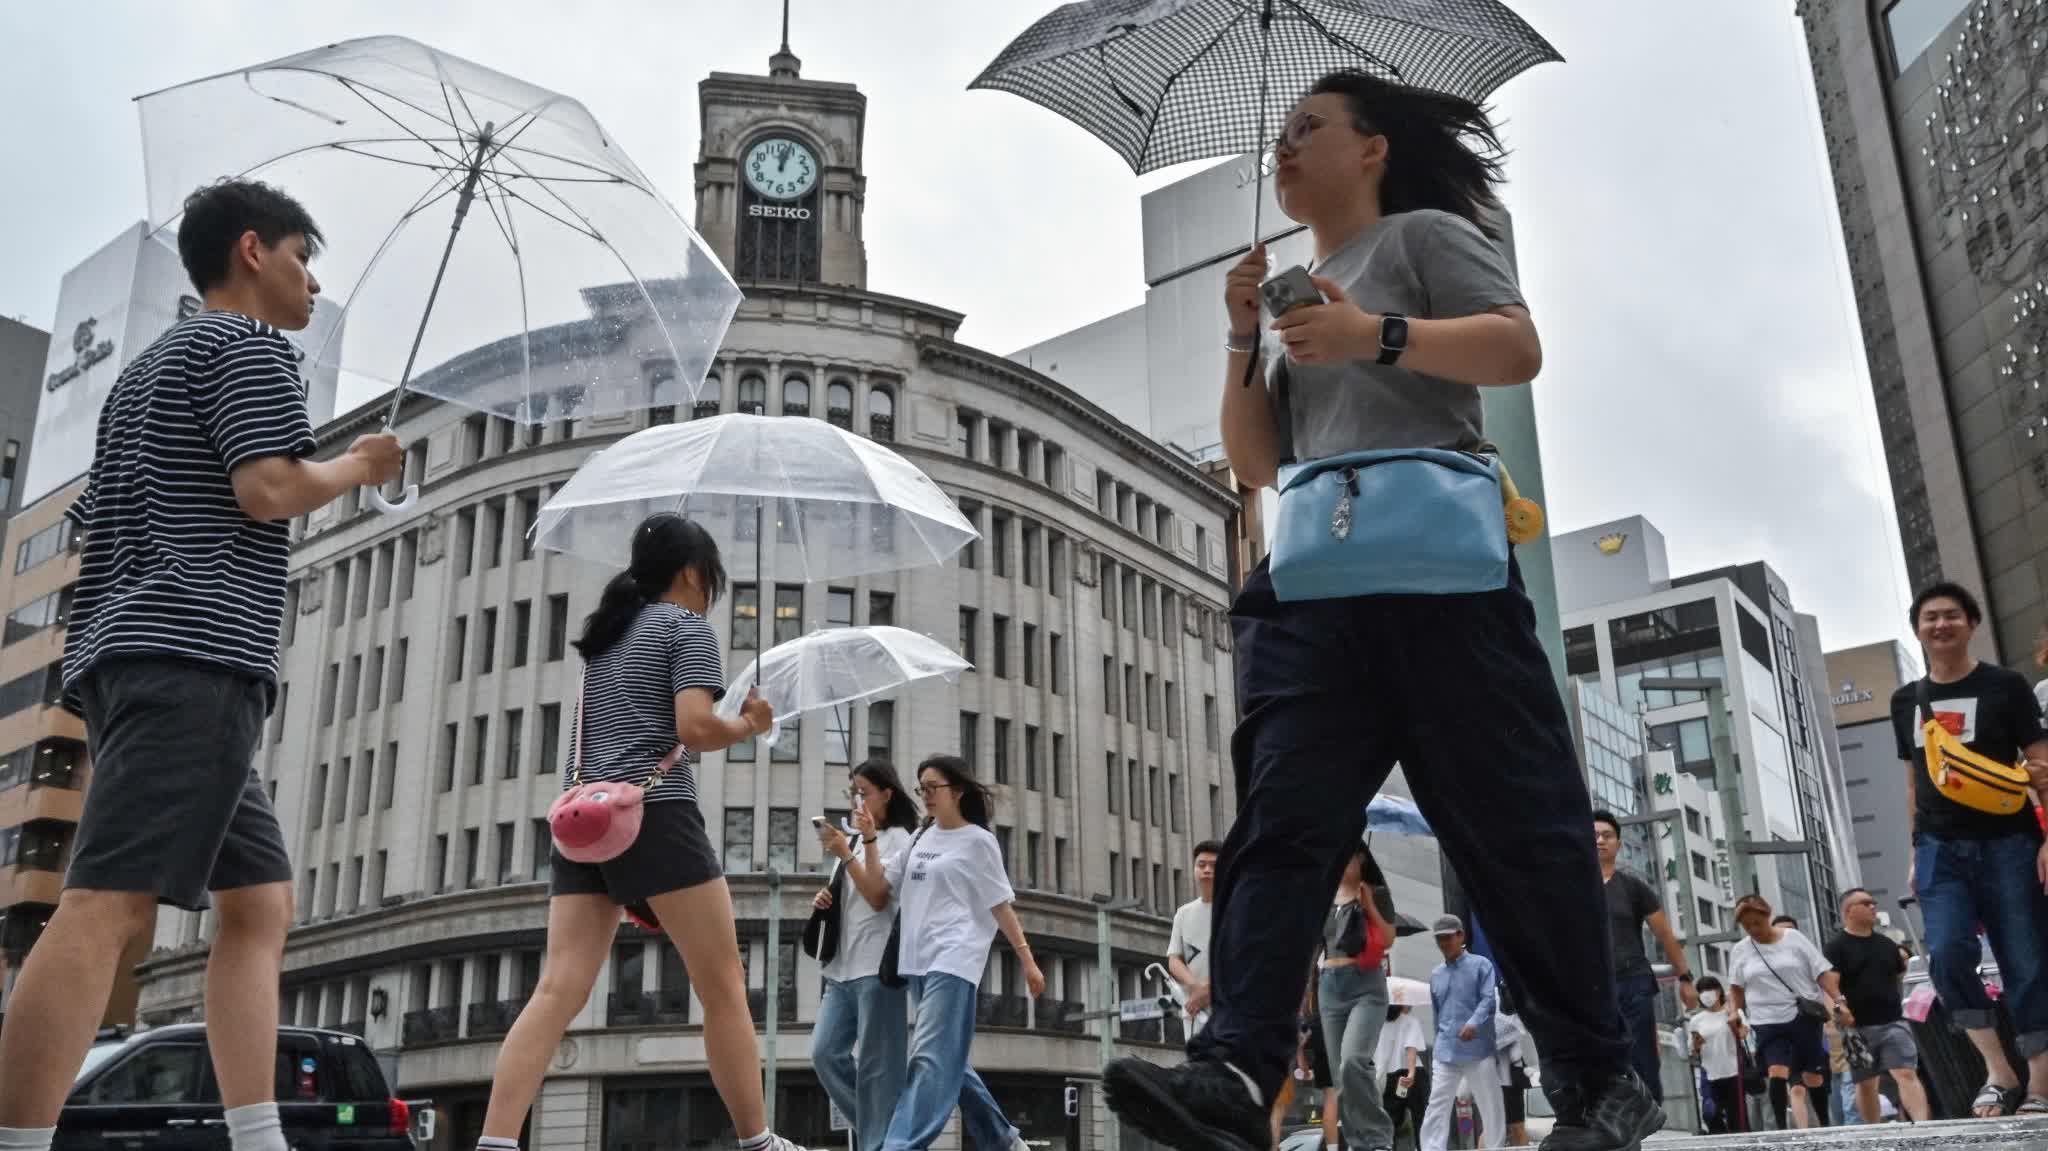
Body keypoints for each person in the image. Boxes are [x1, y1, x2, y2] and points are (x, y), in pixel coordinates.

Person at [1101, 69, 1656, 1151]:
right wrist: (1237, 337)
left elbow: (1513, 347)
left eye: (1309, 129)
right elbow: (1257, 461)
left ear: (1372, 149)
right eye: (1279, 135)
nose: (1284, 149)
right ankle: (1233, 1072)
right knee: (1277, 823)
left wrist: (1374, 337)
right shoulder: (1293, 290)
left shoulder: (1422, 237)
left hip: (1443, 579)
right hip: (1315, 588)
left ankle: (1597, 1081)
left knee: (1516, 830)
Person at [0, 179, 402, 1151]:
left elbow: (108, 520)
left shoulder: (144, 373)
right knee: (104, 902)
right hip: (197, 650)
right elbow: (266, 487)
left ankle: (257, 1134)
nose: (311, 284)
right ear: (254, 251)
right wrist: (361, 466)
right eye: (305, 258)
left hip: (127, 651)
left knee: (259, 900)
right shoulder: (250, 348)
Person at [474, 514, 804, 1151]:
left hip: (583, 821)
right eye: (711, 577)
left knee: (557, 988)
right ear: (690, 573)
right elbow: (694, 729)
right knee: (724, 983)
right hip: (656, 816)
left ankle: (495, 1141)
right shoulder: (685, 627)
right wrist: (749, 725)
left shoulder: (607, 639)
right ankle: (758, 1141)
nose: (712, 590)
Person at [1892, 581, 2048, 1118]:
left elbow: (2041, 763)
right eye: (1930, 617)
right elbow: (1915, 784)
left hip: (2010, 840)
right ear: (1918, 629)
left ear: (1972, 623)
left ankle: (2039, 1084)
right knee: (1948, 953)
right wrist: (1916, 851)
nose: (1941, 625)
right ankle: (1998, 1070)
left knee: (2026, 958)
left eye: (1952, 615)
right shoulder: (1905, 699)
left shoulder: (2005, 686)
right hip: (1939, 846)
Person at [879, 755, 1043, 1151]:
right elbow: (881, 879)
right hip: (916, 961)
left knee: (929, 1058)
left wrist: (1028, 961)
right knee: (950, 1062)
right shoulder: (921, 837)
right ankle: (1004, 1141)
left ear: (959, 791)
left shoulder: (978, 842)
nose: (926, 796)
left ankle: (900, 1145)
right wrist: (857, 845)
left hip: (954, 959)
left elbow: (1000, 905)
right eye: (922, 788)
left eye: (933, 787)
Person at [810, 759, 921, 1151]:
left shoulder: (902, 839)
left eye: (863, 791)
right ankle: (888, 1136)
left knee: (879, 1070)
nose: (857, 800)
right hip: (840, 969)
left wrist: (850, 850)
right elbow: (853, 894)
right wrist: (826, 897)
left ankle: (881, 1141)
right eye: (852, 792)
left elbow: (876, 895)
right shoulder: (855, 840)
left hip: (877, 969)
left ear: (886, 794)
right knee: (824, 1055)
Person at [1592, 810, 1699, 1102]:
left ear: (1618, 844)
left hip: (1633, 982)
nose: (1599, 840)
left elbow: (1665, 935)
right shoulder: (1574, 888)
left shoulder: (1633, 887)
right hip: (1591, 987)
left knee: (1641, 1055)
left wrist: (1686, 979)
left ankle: (1650, 1116)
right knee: (1598, 1058)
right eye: (1594, 836)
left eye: (1607, 835)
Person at [1727, 894, 1844, 1130]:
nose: (1753, 929)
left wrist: (1839, 1000)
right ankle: (1781, 1129)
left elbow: (1822, 972)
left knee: (1812, 1075)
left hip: (1803, 1016)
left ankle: (1823, 1124)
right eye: (1746, 925)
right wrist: (1734, 1013)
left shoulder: (1794, 939)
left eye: (1756, 923)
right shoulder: (1741, 950)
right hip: (1766, 1020)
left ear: (1767, 916)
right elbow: (1736, 989)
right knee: (1776, 1071)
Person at [1824, 887, 1931, 1123]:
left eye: (1873, 902)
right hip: (1856, 1028)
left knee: (1906, 1072)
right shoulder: (1836, 946)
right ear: (1848, 911)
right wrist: (1840, 1008)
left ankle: (1923, 1126)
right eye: (1865, 903)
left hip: (1894, 1021)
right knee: (1865, 1083)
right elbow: (1831, 984)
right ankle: (1874, 1132)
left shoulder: (1886, 944)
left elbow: (1899, 975)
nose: (1873, 906)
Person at [1318, 845, 1397, 1151]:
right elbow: (1317, 945)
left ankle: (1378, 1139)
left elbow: (1389, 938)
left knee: (1353, 1061)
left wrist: (1369, 905)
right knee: (1340, 1078)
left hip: (1366, 985)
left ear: (1360, 858)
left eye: (1346, 856)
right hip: (1329, 986)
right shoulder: (1324, 895)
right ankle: (1358, 1143)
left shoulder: (1375, 892)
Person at [1421, 917, 1504, 1151]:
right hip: (1445, 1051)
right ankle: (1431, 1148)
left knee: (1490, 1104)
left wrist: (1473, 1023)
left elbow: (1489, 1001)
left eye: (1448, 937)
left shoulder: (1481, 965)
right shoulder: (1436, 974)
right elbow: (1437, 1015)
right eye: (1439, 938)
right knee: (1436, 1104)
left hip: (1478, 1049)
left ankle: (1495, 1147)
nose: (1444, 943)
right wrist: (1438, 1041)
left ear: (1461, 936)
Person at [1170, 840, 1224, 1031]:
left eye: (1214, 866)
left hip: (1228, 1006)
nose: (1207, 870)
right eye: (1201, 865)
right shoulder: (1183, 913)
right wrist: (1195, 987)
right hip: (1194, 1007)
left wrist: (1210, 989)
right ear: (1194, 869)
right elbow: (1174, 959)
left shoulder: (1235, 909)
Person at [1685, 977, 1745, 1134]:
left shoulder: (1733, 1013)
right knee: (1710, 1113)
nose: (1705, 994)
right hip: (1709, 1074)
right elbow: (1692, 1049)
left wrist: (1733, 1016)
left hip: (1733, 1073)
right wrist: (1696, 1045)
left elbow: (1744, 1034)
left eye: (1708, 990)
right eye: (1701, 991)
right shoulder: (1696, 1020)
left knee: (1737, 1120)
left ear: (1719, 991)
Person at [1378, 1004, 1429, 1149]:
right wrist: (1411, 1073)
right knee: (1422, 1121)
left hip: (1388, 1077)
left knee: (1389, 1125)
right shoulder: (1411, 1021)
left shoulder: (1377, 1024)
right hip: (1414, 1076)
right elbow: (1411, 1048)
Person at [1494, 1001, 1530, 1147]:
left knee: (1515, 1127)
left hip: (1510, 1075)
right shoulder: (1496, 1009)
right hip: (1501, 1074)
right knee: (1506, 1128)